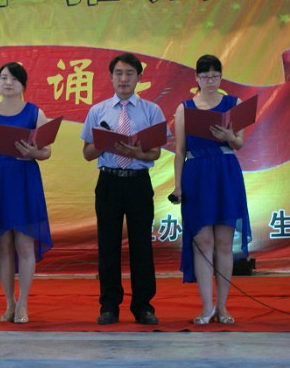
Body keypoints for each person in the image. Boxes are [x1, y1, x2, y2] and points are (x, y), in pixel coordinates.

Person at [80, 53, 166, 325]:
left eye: (129, 73)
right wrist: (104, 144)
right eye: (118, 73)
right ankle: (109, 305)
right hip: (109, 181)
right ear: (111, 77)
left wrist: (137, 153)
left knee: (141, 245)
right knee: (108, 245)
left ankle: (143, 306)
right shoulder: (98, 111)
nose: (123, 79)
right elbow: (87, 153)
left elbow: (155, 153)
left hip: (138, 182)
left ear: (139, 77)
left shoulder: (151, 110)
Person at [171, 54, 251, 325]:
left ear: (221, 77)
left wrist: (229, 136)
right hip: (196, 174)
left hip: (225, 172)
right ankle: (206, 307)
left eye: (215, 76)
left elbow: (239, 143)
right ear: (196, 78)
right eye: (205, 77)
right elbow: (180, 151)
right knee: (203, 242)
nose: (210, 81)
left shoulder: (233, 104)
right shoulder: (185, 108)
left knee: (224, 243)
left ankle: (223, 307)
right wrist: (178, 186)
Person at [0, 62, 53, 324]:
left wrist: (34, 152)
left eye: (14, 79)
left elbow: (46, 151)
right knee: (3, 245)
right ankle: (9, 303)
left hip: (24, 179)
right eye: (4, 78)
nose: (8, 83)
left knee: (24, 243)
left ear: (23, 85)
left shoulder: (35, 113)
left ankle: (23, 304)